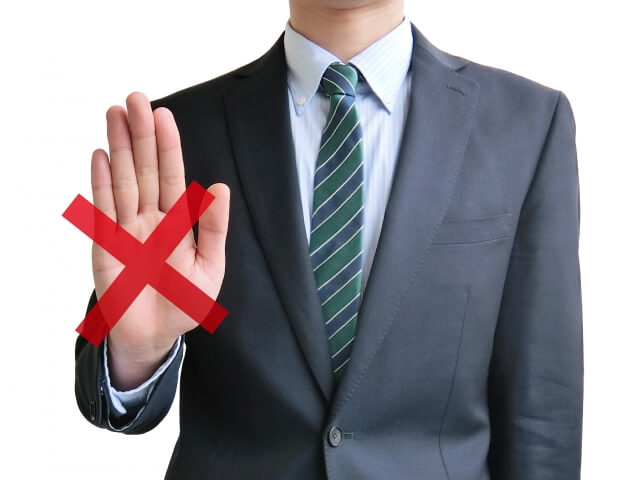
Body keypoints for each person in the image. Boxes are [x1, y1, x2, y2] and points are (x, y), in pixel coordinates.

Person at [75, 0, 584, 478]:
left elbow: (543, 409)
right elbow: (101, 392)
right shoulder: (176, 133)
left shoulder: (527, 125)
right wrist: (136, 353)